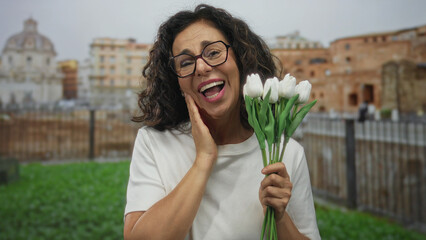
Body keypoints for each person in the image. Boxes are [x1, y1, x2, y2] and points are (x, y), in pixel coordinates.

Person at [123, 4, 320, 240]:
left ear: (240, 59)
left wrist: (279, 217)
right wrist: (204, 159)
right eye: (185, 62)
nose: (202, 67)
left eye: (214, 52)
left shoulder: (284, 153)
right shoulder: (154, 143)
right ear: (175, 81)